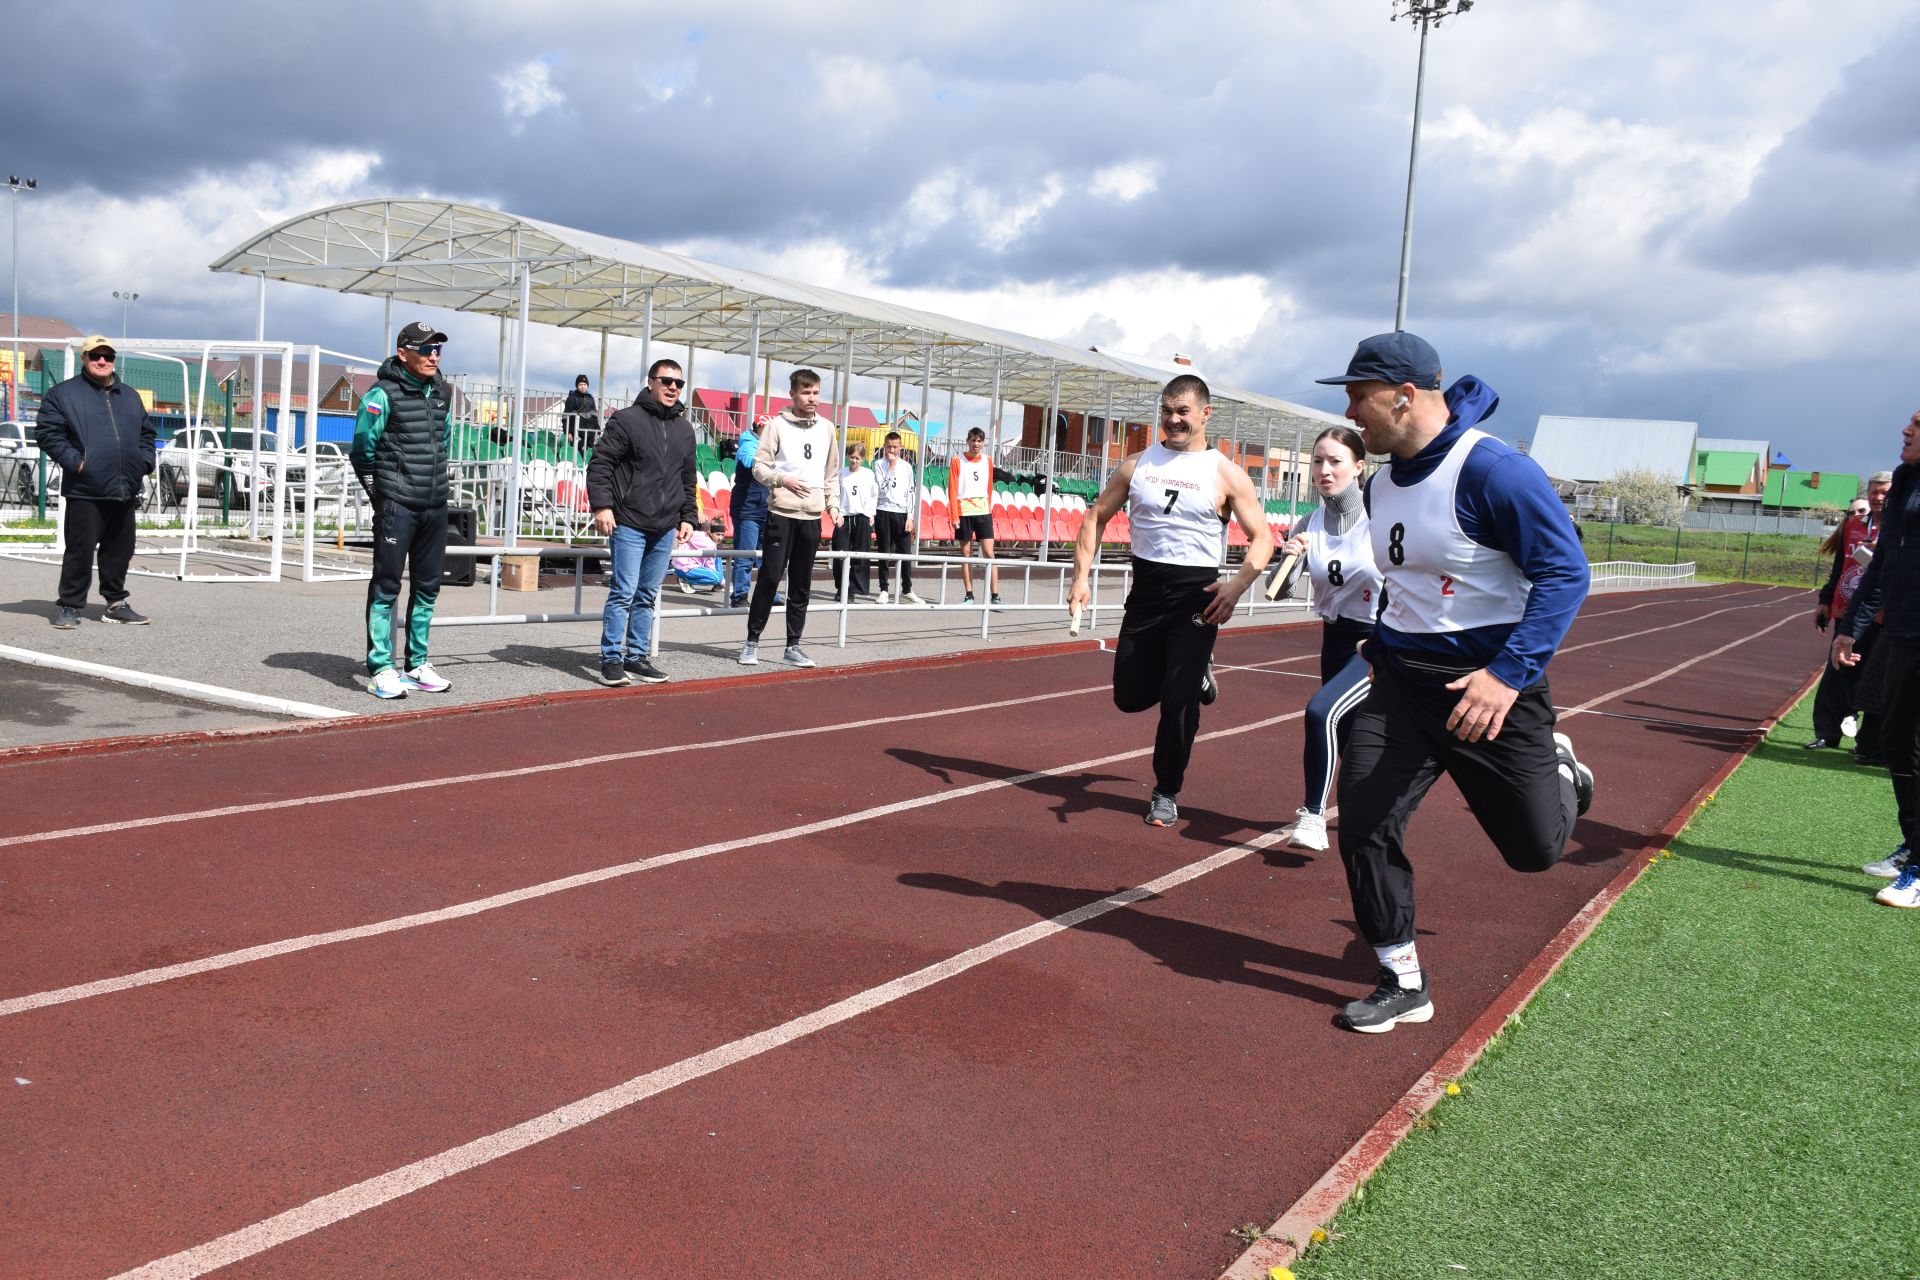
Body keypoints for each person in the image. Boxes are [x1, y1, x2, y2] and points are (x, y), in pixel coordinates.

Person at [1315, 331, 1594, 1033]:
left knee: (1533, 852)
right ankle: (1401, 978)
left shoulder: (1496, 471)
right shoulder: (1377, 485)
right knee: (1364, 822)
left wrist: (1506, 676)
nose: (1352, 410)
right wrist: (1382, 643)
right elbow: (1406, 583)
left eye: (1359, 395)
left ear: (1405, 397)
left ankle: (1563, 768)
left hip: (1489, 691)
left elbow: (1566, 574)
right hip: (1403, 688)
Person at [1067, 374, 1274, 828]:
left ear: (1205, 414)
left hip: (1197, 598)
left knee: (1179, 703)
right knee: (1128, 696)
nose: (1174, 419)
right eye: (1166, 410)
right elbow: (1095, 516)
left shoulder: (1225, 473)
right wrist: (1081, 579)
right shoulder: (1137, 465)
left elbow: (1263, 538)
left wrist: (1235, 586)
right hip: (1146, 593)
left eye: (1182, 411)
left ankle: (1166, 790)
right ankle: (1194, 673)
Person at [1273, 426, 1382, 853]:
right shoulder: (1309, 522)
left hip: (1375, 641)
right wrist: (1290, 558)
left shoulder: (1381, 520)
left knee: (1321, 713)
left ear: (1358, 467)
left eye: (1335, 461)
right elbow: (1280, 591)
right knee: (1355, 741)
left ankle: (1313, 816)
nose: (1324, 470)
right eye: (1318, 461)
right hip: (1335, 640)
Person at [1835, 413, 1920, 904]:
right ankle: (1913, 844)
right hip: (1903, 631)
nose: (1906, 431)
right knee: (1893, 737)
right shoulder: (1907, 481)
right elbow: (1882, 564)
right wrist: (1850, 628)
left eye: (1917, 424)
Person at [349, 321, 457, 699]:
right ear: (403, 352)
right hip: (398, 504)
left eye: (438, 348)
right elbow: (362, 450)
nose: (434, 355)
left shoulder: (442, 391)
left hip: (434, 505)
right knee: (387, 586)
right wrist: (381, 495)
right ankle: (381, 667)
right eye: (426, 348)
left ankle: (416, 664)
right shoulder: (381, 394)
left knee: (428, 587)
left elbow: (443, 442)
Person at [586, 359, 697, 687]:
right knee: (623, 592)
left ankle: (636, 657)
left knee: (647, 594)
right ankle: (611, 658)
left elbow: (687, 477)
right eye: (666, 381)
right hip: (629, 522)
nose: (673, 387)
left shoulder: (685, 429)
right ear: (651, 383)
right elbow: (601, 464)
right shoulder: (626, 420)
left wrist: (688, 516)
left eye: (679, 382)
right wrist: (602, 506)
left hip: (664, 526)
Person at [34, 335, 156, 629]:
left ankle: (115, 604)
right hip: (85, 488)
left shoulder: (129, 396)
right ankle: (69, 606)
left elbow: (146, 435)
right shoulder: (63, 394)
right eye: (95, 355)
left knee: (119, 550)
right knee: (79, 549)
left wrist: (143, 462)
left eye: (108, 356)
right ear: (84, 359)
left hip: (124, 486)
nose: (102, 361)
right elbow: (48, 433)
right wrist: (78, 463)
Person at [740, 368, 840, 668]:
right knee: (770, 578)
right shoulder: (776, 426)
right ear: (793, 394)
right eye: (806, 392)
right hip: (780, 514)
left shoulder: (827, 428)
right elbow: (759, 467)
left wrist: (833, 505)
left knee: (801, 582)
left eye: (816, 393)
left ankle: (793, 645)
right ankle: (751, 642)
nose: (812, 398)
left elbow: (831, 474)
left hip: (811, 517)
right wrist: (782, 481)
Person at [1808, 476, 1889, 754]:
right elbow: (1839, 566)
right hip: (1848, 610)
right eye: (1873, 492)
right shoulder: (1852, 526)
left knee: (1874, 677)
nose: (1878, 497)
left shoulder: (1901, 528)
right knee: (1836, 672)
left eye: (1884, 493)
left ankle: (1867, 742)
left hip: (1883, 615)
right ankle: (1827, 734)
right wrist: (1825, 600)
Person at [873, 429, 925, 604]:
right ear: (884, 447)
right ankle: (884, 589)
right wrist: (891, 468)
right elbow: (882, 488)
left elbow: (911, 492)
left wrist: (910, 517)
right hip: (883, 510)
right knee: (884, 551)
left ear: (901, 447)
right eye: (889, 447)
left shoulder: (908, 467)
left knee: (905, 552)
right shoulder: (879, 464)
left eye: (895, 447)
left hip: (901, 513)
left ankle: (907, 589)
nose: (892, 451)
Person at [950, 427, 1001, 605]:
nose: (976, 444)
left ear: (983, 442)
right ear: (968, 441)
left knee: (989, 552)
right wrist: (954, 515)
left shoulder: (988, 460)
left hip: (983, 511)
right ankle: (969, 594)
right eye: (973, 440)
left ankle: (995, 595)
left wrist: (988, 507)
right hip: (964, 511)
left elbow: (988, 486)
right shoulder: (958, 460)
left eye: (979, 441)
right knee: (966, 553)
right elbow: (953, 488)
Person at [727, 415, 773, 607]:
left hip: (764, 508)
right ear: (758, 428)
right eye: (766, 429)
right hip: (747, 509)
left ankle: (767, 595)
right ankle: (739, 595)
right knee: (745, 554)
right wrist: (760, 461)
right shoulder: (748, 443)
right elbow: (747, 459)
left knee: (767, 556)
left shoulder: (770, 446)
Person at [833, 440, 876, 598]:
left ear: (862, 459)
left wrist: (871, 514)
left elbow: (873, 495)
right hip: (844, 517)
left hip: (861, 517)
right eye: (852, 457)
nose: (854, 460)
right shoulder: (842, 474)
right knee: (840, 553)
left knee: (860, 554)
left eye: (857, 458)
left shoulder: (868, 474)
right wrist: (836, 512)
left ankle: (853, 589)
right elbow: (835, 494)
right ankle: (841, 587)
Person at [563, 375, 597, 450]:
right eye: (580, 384)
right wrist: (568, 432)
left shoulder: (590, 398)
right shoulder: (571, 398)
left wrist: (597, 429)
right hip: (577, 432)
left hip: (590, 433)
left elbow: (594, 415)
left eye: (585, 384)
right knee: (578, 454)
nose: (583, 387)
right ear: (577, 386)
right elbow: (565, 417)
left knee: (591, 454)